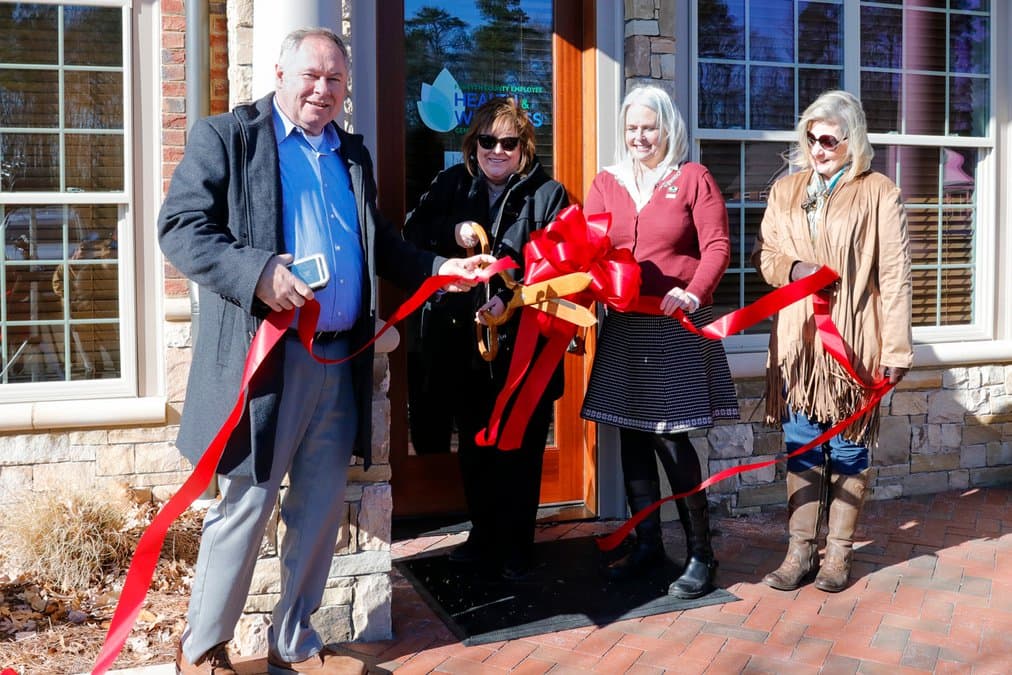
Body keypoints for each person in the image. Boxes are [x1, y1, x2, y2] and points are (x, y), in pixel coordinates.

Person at [158, 27, 492, 675]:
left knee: (316, 507)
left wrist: (440, 269)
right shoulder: (229, 138)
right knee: (248, 504)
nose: (323, 89)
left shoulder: (352, 154)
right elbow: (180, 228)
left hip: (338, 363)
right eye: (311, 75)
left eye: (335, 80)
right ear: (279, 73)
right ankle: (201, 648)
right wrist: (256, 272)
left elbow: (383, 246)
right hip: (265, 364)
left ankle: (294, 641)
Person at [580, 85, 739, 599]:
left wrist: (695, 293)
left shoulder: (694, 179)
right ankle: (647, 543)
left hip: (677, 323)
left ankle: (700, 553)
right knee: (630, 434)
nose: (639, 136)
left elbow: (717, 246)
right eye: (632, 128)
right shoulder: (607, 183)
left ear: (667, 128)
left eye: (649, 127)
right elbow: (589, 247)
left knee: (671, 437)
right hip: (626, 325)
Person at [752, 90, 912, 593]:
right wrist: (796, 269)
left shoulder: (879, 190)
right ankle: (799, 550)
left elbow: (895, 273)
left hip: (854, 338)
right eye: (810, 138)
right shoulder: (787, 189)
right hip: (798, 342)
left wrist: (897, 349)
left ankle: (838, 555)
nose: (817, 148)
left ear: (852, 140)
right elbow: (768, 255)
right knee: (800, 441)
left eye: (828, 140)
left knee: (846, 446)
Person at [402, 96, 569, 580]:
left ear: (524, 148)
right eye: (487, 141)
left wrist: (509, 304)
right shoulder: (451, 184)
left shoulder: (548, 194)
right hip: (462, 343)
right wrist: (452, 231)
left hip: (525, 349)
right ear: (472, 146)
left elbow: (553, 264)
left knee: (520, 447)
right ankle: (483, 534)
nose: (498, 150)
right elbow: (412, 234)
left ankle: (517, 543)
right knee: (475, 446)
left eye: (509, 142)